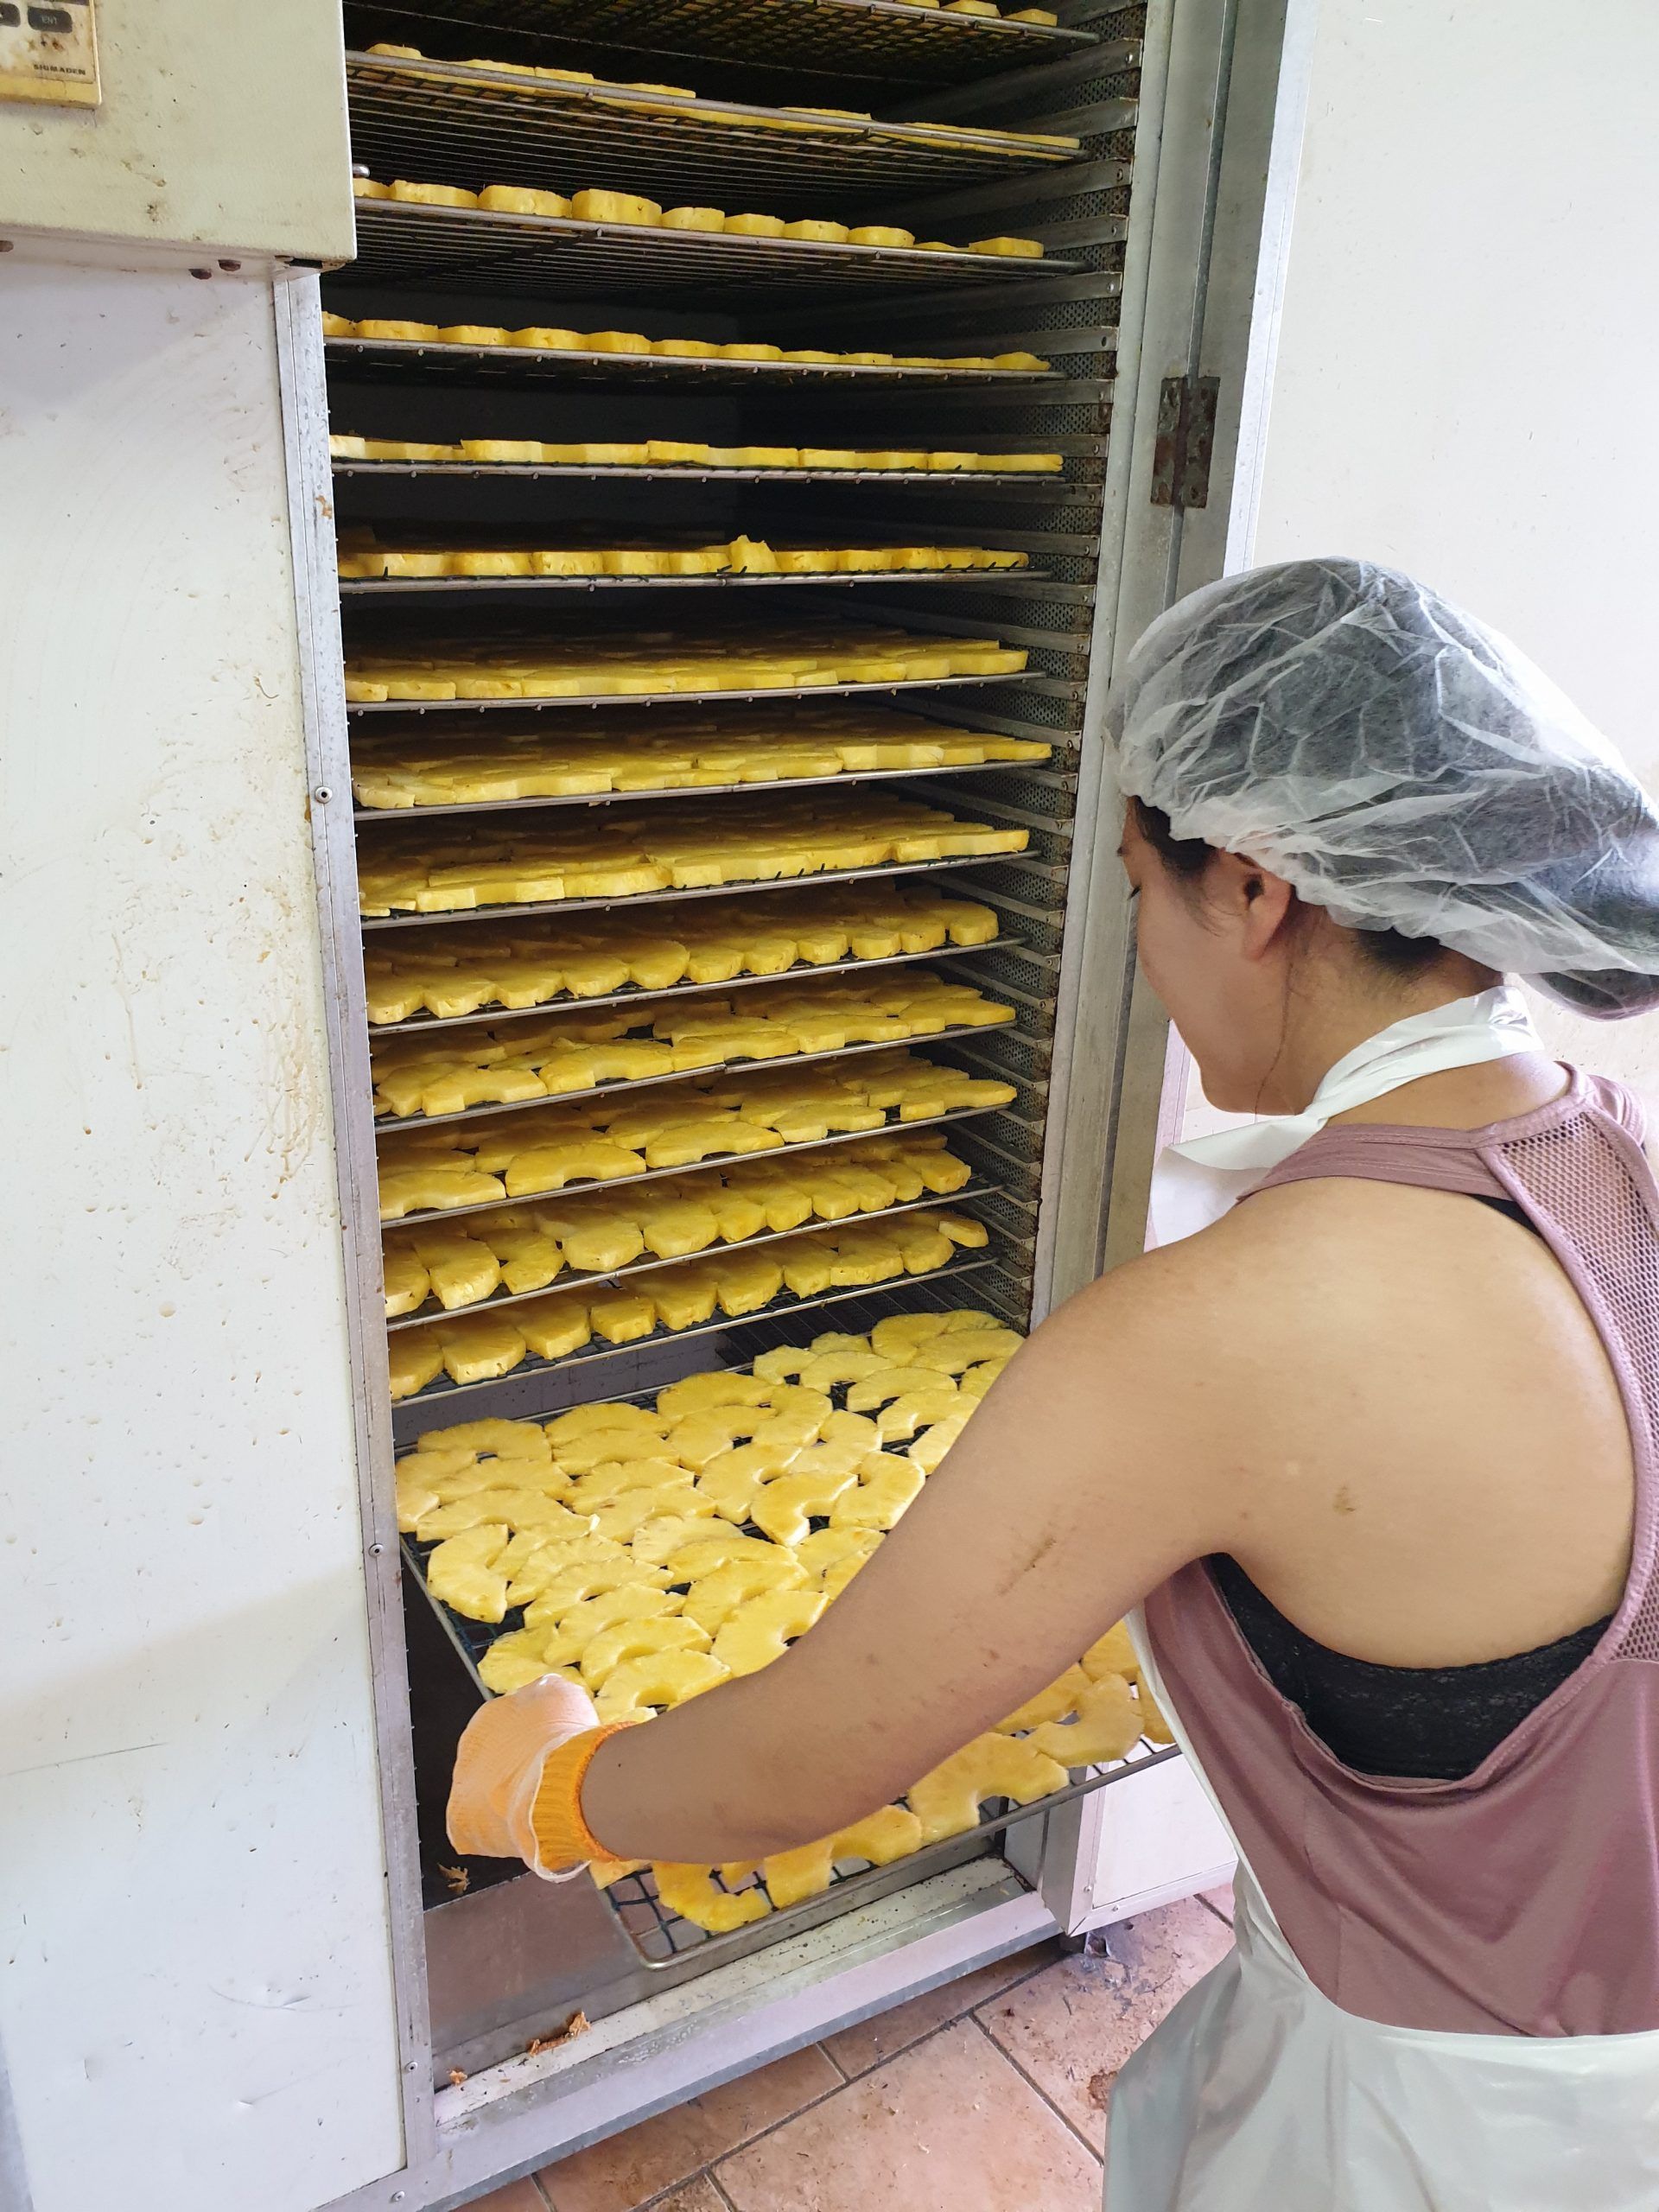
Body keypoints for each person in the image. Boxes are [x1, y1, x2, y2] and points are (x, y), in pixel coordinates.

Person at [448, 558, 1659, 2209]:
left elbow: (802, 1764)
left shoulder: (1232, 1328)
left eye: (1140, 890)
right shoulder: (1609, 1155)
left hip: (1469, 2134)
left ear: (1250, 889)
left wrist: (554, 1790)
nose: (1144, 947)